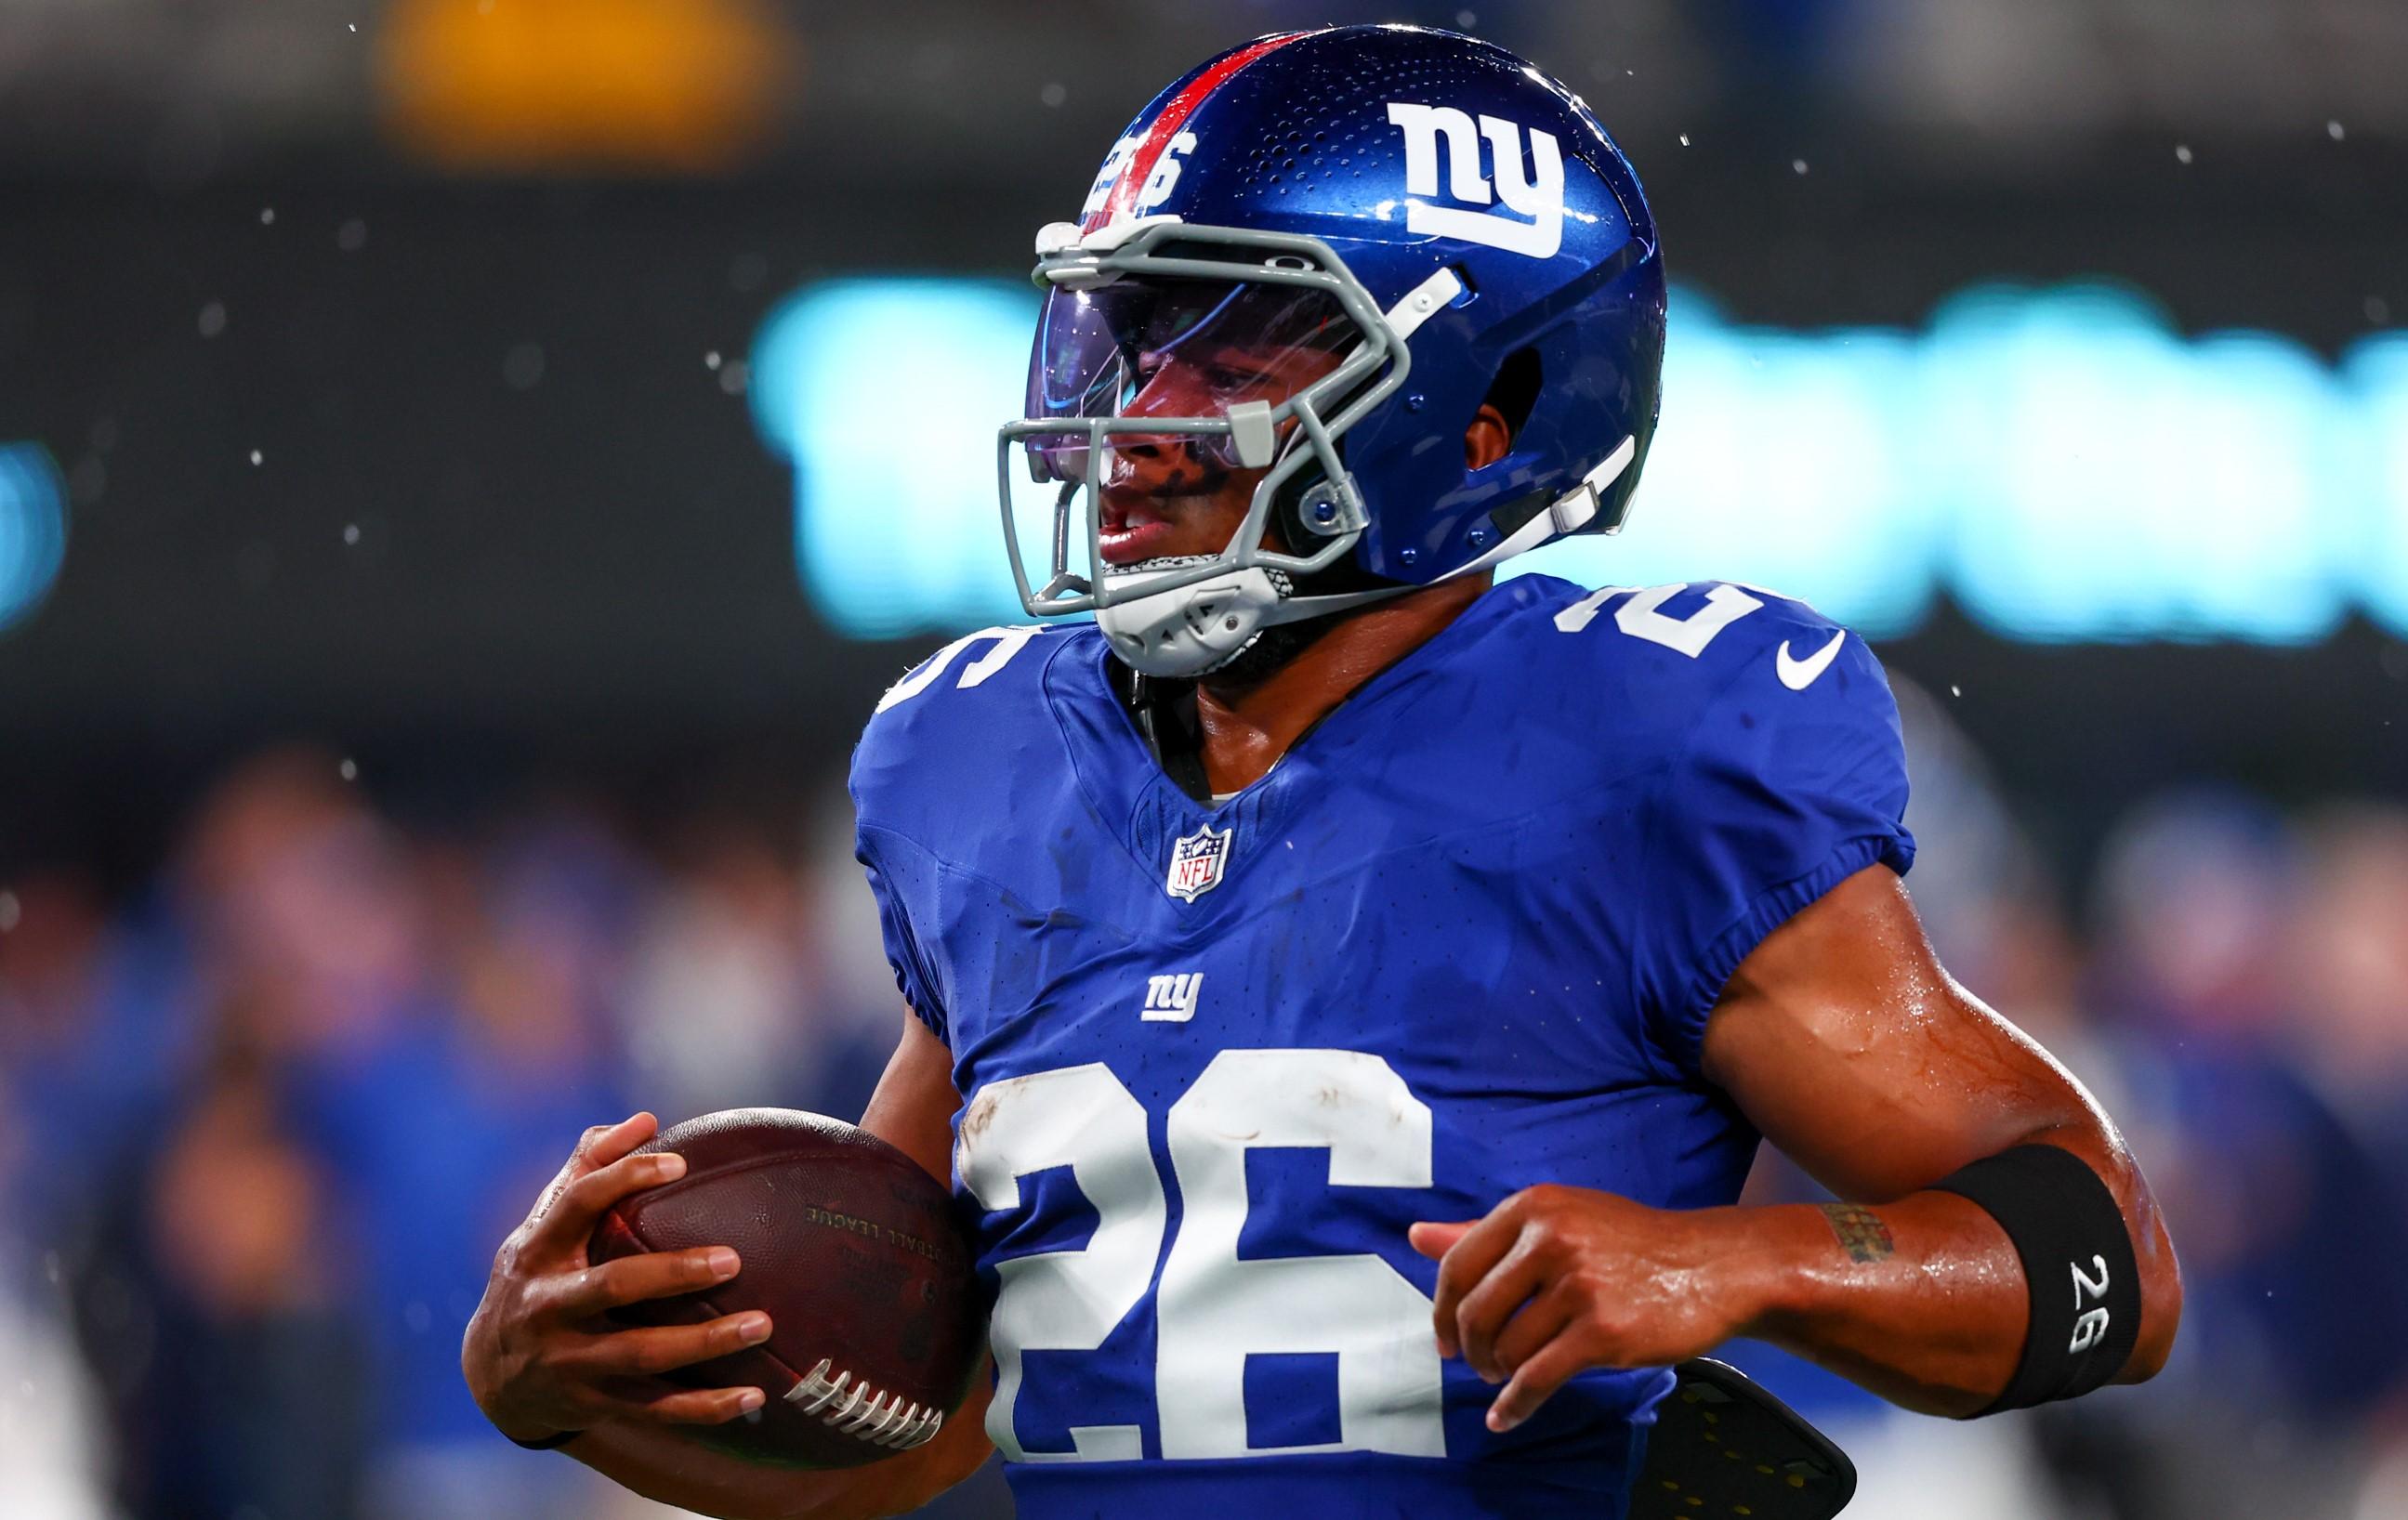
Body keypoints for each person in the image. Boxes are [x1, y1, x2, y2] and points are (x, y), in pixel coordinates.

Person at [462, 24, 2181, 1518]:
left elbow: (2101, 1264)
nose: (1137, 412)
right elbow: (909, 1434)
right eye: (1126, 337)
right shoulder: (979, 762)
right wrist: (557, 1394)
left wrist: (1742, 1264)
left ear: (1484, 409)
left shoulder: (1645, 740)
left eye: (1236, 346)